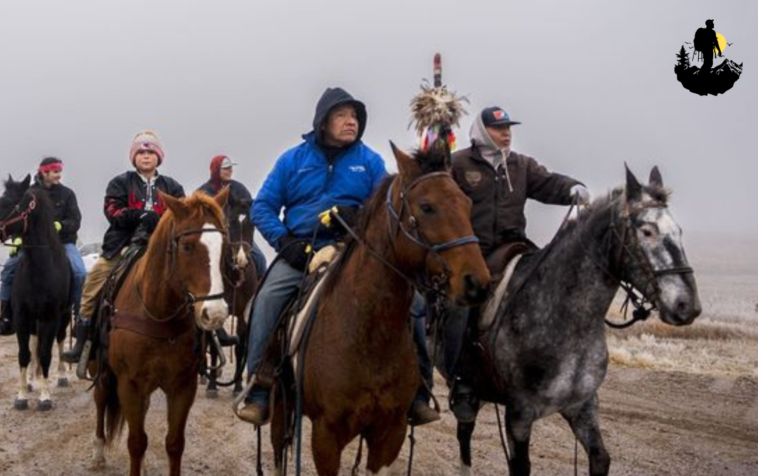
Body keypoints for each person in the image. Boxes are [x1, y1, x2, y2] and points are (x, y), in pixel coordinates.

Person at [236, 87, 439, 427]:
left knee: (414, 302)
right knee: (267, 299)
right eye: (342, 115)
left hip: (355, 250)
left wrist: (357, 216)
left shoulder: (371, 162)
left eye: (355, 116)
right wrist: (285, 242)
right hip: (301, 251)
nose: (351, 122)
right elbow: (263, 207)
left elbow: (388, 209)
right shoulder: (292, 160)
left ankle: (419, 388)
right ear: (323, 121)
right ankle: (259, 383)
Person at [444, 105, 589, 420]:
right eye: (499, 128)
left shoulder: (522, 166)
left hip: (513, 248)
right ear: (483, 132)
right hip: (474, 254)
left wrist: (572, 188)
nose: (506, 133)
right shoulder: (458, 164)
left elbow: (549, 183)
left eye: (509, 128)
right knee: (460, 306)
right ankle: (461, 380)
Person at [61, 131, 185, 364]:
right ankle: (83, 339)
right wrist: (138, 215)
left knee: (195, 281)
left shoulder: (173, 186)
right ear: (134, 157)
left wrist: (159, 221)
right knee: (94, 281)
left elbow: (181, 216)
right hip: (123, 245)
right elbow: (112, 211)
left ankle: (208, 338)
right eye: (141, 152)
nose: (146, 156)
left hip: (164, 248)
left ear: (159, 157)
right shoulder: (120, 182)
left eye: (150, 152)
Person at [0, 157, 87, 335]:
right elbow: (18, 219)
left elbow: (75, 220)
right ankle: (5, 316)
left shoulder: (67, 194)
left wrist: (60, 226)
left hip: (63, 243)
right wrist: (17, 239)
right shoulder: (29, 194)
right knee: (9, 270)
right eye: (55, 172)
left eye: (60, 171)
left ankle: (78, 316)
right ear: (44, 172)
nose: (59, 175)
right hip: (33, 245)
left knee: (80, 272)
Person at [197, 155, 267, 278]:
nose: (230, 171)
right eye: (225, 168)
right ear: (216, 170)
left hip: (239, 235)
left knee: (260, 259)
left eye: (230, 168)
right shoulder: (204, 192)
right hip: (214, 236)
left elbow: (249, 212)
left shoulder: (239, 188)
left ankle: (261, 291)